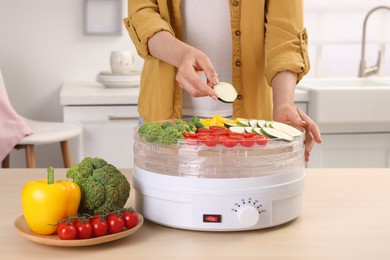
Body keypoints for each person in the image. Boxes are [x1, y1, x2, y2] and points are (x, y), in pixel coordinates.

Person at [124, 0, 321, 161]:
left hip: (250, 122)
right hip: (164, 118)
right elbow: (142, 14)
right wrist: (181, 55)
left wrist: (283, 104)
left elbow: (285, 36)